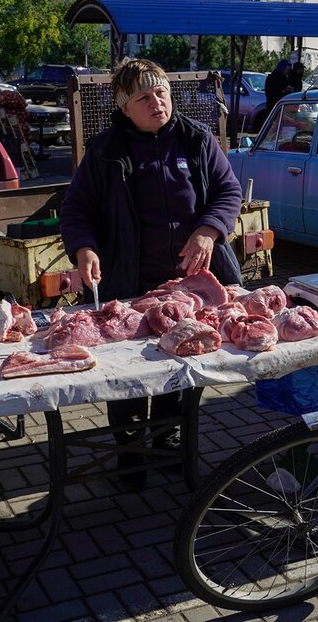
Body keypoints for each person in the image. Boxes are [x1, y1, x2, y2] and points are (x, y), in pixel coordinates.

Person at [59, 59, 243, 484]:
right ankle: (129, 451)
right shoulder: (105, 151)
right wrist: (83, 248)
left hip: (191, 285)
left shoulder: (195, 139)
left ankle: (166, 438)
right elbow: (76, 209)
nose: (157, 102)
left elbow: (228, 191)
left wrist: (208, 231)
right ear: (124, 107)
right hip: (129, 281)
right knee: (128, 372)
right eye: (144, 97)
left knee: (182, 363)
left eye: (161, 92)